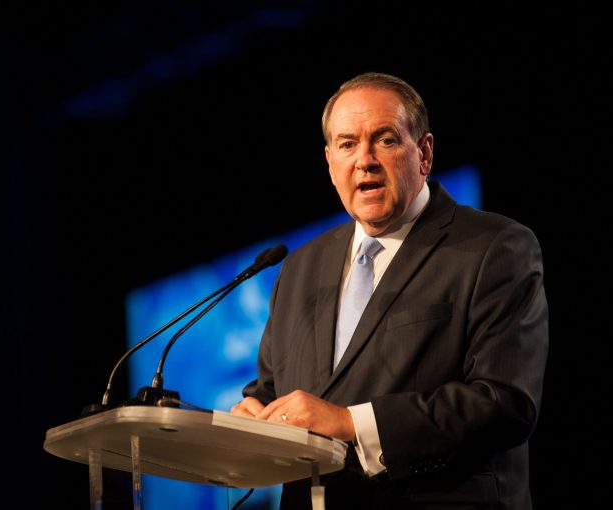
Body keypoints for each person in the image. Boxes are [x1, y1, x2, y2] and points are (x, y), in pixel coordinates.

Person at [231, 72, 549, 510]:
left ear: (424, 153)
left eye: (384, 139)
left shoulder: (493, 247)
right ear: (330, 163)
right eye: (347, 144)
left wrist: (348, 422)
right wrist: (253, 415)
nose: (364, 160)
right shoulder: (299, 268)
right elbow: (272, 389)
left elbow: (506, 403)